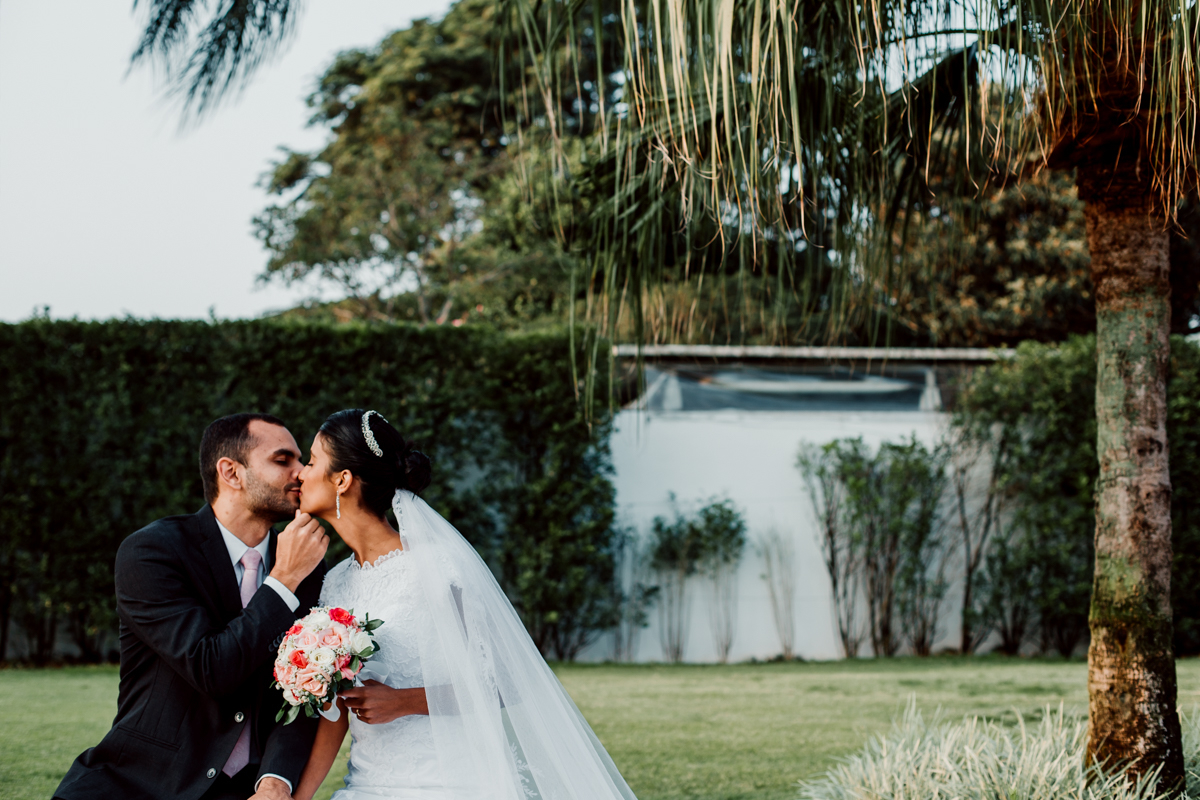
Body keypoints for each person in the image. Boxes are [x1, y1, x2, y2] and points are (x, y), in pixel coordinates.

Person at [290, 408, 638, 800]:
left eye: (312, 461)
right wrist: (299, 797)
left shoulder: (437, 567)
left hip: (451, 784)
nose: (300, 473)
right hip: (367, 784)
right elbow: (336, 711)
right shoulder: (335, 581)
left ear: (343, 479)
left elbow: (506, 681)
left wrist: (403, 701)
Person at [53, 413, 330, 800]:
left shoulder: (309, 568)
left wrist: (275, 782)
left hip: (247, 789)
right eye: (283, 460)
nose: (300, 472)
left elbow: (303, 691)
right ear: (231, 473)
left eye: (300, 460)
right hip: (141, 784)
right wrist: (283, 580)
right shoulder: (153, 552)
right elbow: (211, 668)